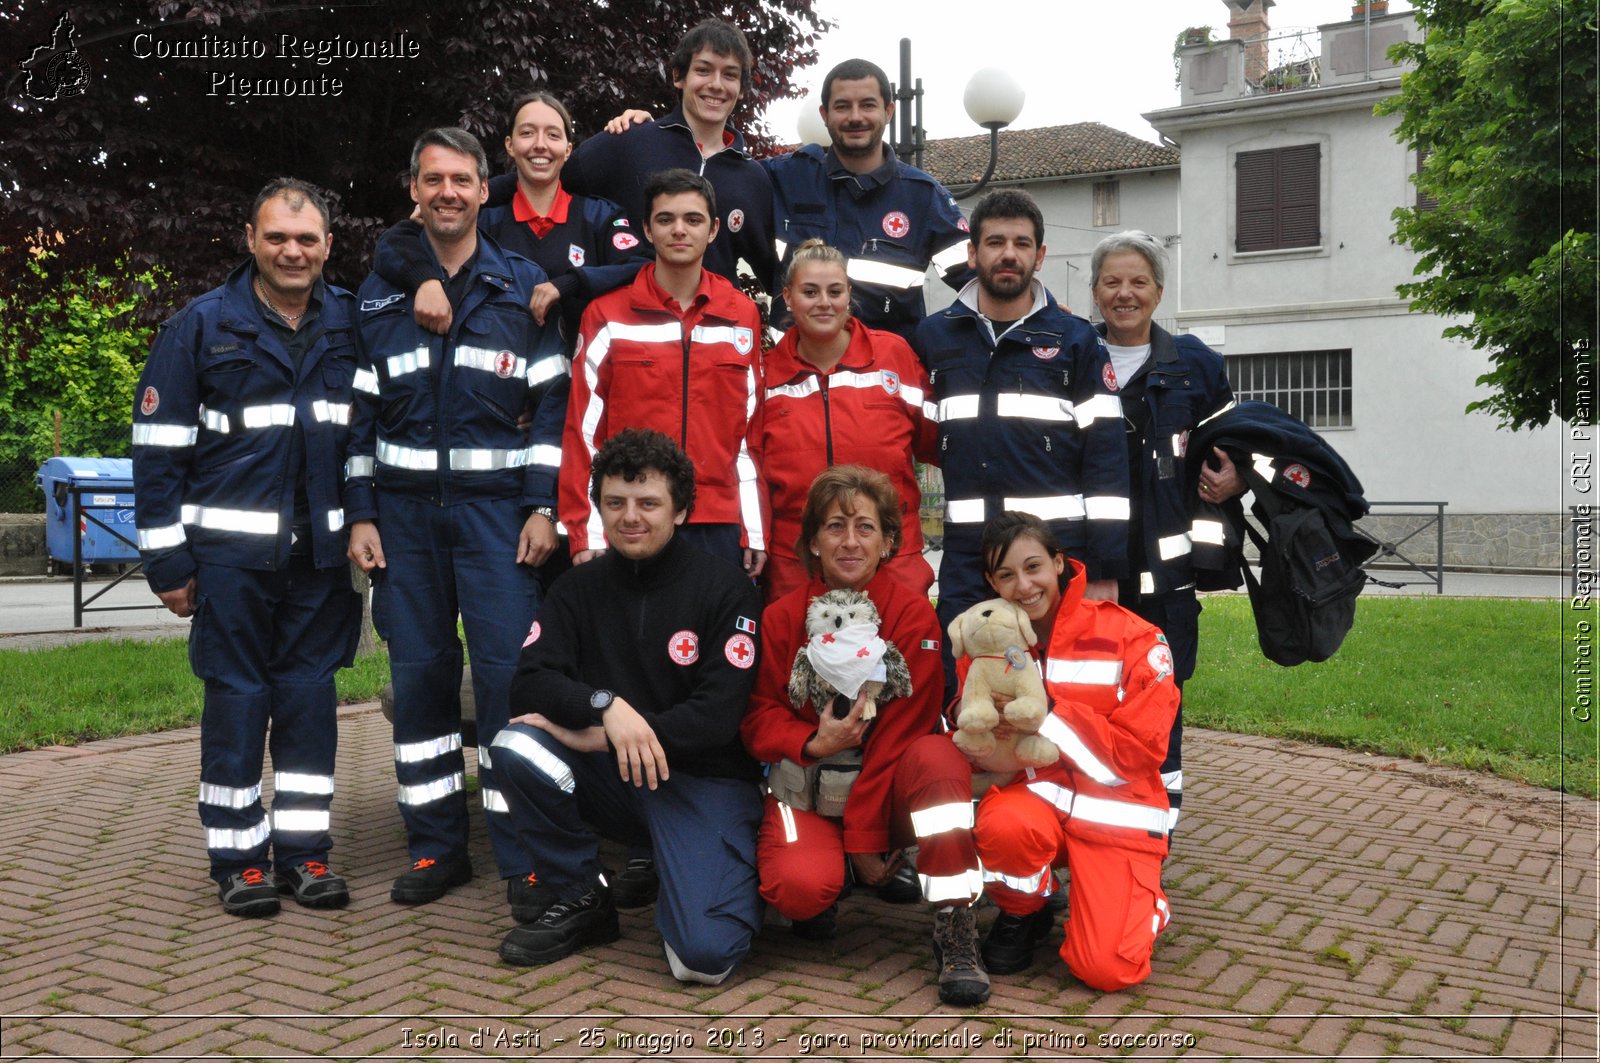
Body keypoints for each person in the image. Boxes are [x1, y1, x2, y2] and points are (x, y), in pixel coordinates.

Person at [345, 128, 565, 918]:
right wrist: (360, 514)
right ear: (415, 189)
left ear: (483, 191)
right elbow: (356, 419)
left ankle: (524, 852)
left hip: (498, 523)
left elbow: (553, 408)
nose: (448, 191)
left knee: (509, 682)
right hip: (402, 522)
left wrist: (543, 504)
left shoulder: (522, 286)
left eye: (463, 180)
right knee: (422, 682)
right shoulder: (377, 296)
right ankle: (436, 844)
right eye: (433, 178)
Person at [131, 177, 362, 916]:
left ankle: (304, 853)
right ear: (250, 240)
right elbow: (158, 452)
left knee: (308, 705)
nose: (292, 251)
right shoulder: (200, 327)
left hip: (319, 564)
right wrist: (167, 562)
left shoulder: (351, 324)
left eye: (306, 238)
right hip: (229, 564)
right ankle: (238, 858)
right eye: (277, 237)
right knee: (237, 704)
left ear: (328, 244)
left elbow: (365, 438)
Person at [489, 428, 765, 985]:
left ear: (681, 511)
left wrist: (611, 734)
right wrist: (604, 706)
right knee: (516, 744)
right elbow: (530, 683)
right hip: (617, 780)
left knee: (703, 961)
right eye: (615, 503)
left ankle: (691, 873)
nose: (630, 517)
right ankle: (583, 896)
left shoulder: (726, 588)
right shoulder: (576, 588)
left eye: (648, 503)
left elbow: (717, 717)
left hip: (702, 783)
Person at [741, 466, 992, 1006]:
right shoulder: (783, 617)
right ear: (813, 541)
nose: (849, 541)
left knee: (939, 760)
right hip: (809, 783)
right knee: (799, 889)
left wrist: (865, 838)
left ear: (888, 543)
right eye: (834, 526)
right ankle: (833, 877)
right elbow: (758, 717)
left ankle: (954, 921)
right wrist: (811, 743)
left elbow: (902, 732)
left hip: (888, 787)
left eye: (864, 527)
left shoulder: (910, 616)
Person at [912, 188, 1128, 690]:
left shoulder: (1076, 340)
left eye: (1022, 243)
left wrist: (1102, 567)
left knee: (1063, 690)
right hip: (972, 557)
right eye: (995, 242)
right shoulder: (934, 338)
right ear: (972, 253)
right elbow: (914, 435)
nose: (1008, 254)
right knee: (966, 688)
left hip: (1056, 556)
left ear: (1040, 255)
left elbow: (1107, 460)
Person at [967, 512, 1178, 992]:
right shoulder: (988, 642)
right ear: (991, 582)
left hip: (1115, 811)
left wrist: (1049, 712)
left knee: (1107, 971)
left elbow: (1138, 753)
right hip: (1039, 802)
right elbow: (985, 741)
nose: (1023, 586)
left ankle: (1143, 904)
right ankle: (1026, 909)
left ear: (1059, 563)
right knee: (1002, 824)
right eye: (1006, 575)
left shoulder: (1133, 638)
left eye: (1033, 567)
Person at [1089, 230, 1240, 833]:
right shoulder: (1072, 354)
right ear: (1095, 291)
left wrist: (1235, 479)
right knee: (1087, 698)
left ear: (1157, 290)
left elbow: (1239, 443)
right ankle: (1092, 831)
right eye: (1112, 282)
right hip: (1089, 574)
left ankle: (1154, 833)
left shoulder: (1195, 363)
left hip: (1166, 582)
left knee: (1158, 700)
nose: (1125, 294)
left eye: (1138, 282)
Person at [561, 168, 767, 575]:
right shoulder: (606, 316)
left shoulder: (740, 315)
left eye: (693, 219)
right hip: (631, 519)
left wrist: (755, 530)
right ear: (647, 230)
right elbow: (583, 432)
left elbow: (750, 434)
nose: (679, 230)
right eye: (665, 219)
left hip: (718, 522)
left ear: (713, 230)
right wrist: (588, 531)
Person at [492, 20, 776, 294]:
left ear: (741, 88)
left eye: (729, 74)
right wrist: (471, 193)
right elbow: (543, 180)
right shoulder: (628, 141)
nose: (716, 84)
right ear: (678, 76)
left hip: (712, 332)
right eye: (703, 70)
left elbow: (773, 275)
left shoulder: (752, 178)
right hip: (627, 327)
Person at [373, 91, 646, 347]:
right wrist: (425, 280)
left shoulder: (599, 217)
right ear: (510, 145)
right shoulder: (480, 221)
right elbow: (393, 245)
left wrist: (572, 282)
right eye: (527, 133)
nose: (540, 145)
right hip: (494, 385)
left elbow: (644, 267)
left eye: (553, 135)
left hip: (582, 385)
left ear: (568, 149)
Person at [759, 239, 938, 602]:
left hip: (891, 559)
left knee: (900, 658)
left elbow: (934, 442)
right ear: (788, 298)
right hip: (798, 564)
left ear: (849, 295)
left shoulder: (893, 357)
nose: (824, 302)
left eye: (834, 291)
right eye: (810, 291)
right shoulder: (765, 375)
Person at [765, 58, 971, 341]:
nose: (855, 117)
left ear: (888, 111)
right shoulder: (786, 178)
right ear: (824, 114)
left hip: (885, 377)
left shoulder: (922, 198)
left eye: (868, 105)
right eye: (842, 106)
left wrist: (1042, 311)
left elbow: (983, 281)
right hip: (797, 375)